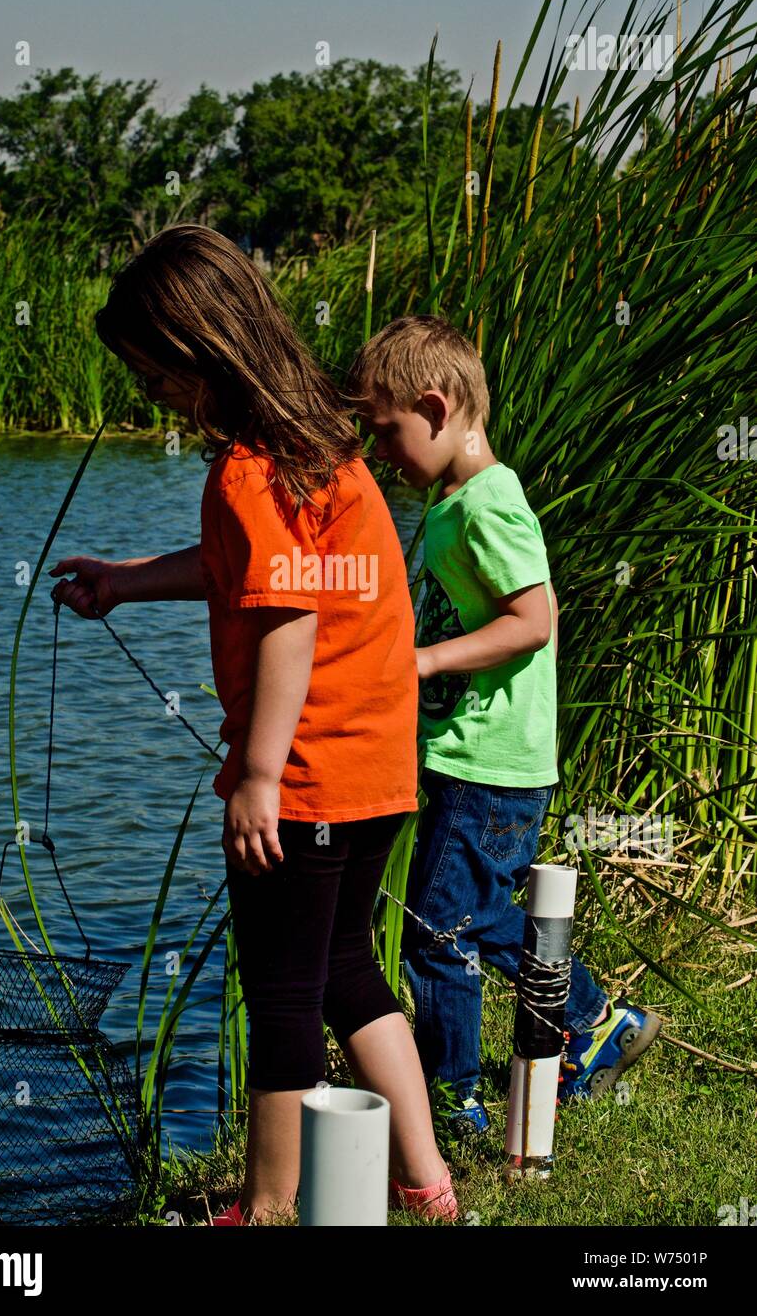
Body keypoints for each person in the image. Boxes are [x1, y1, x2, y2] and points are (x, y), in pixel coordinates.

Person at [50, 226, 457, 1223]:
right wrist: (129, 582)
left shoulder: (247, 467)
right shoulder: (323, 446)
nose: (150, 390)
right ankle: (427, 1183)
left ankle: (267, 1207)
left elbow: (283, 614)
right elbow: (253, 573)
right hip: (376, 767)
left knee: (277, 993)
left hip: (309, 774)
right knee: (347, 972)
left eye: (153, 370)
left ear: (199, 351)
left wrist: (259, 777)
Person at [346, 314, 660, 1137]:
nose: (382, 452)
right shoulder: (458, 501)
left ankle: (456, 1100)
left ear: (437, 405)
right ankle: (593, 1021)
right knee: (464, 920)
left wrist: (424, 662)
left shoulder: (488, 504)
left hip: (490, 764)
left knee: (435, 932)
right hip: (479, 758)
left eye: (388, 431)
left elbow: (533, 619)